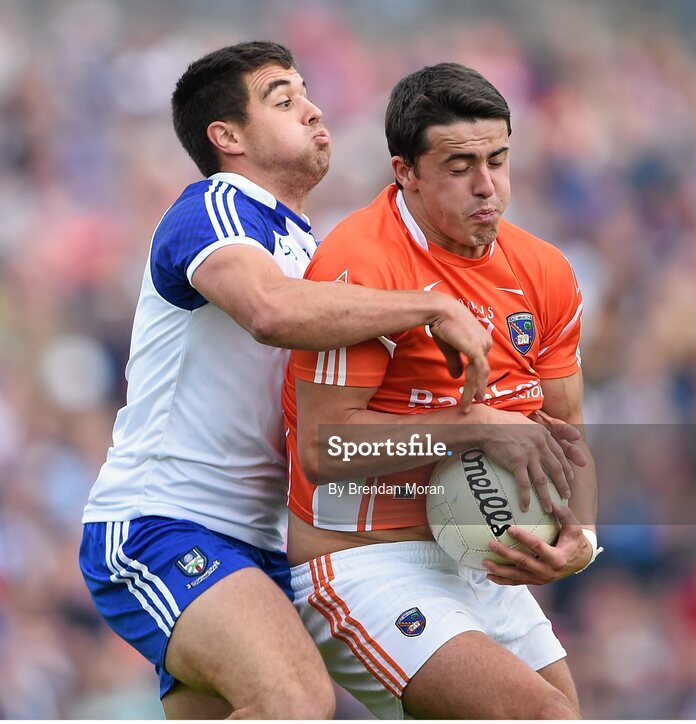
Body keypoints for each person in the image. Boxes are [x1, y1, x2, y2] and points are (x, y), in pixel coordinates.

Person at [77, 42, 507, 719]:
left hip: (264, 548)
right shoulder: (214, 208)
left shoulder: (314, 251)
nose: (311, 109)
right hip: (164, 524)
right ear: (228, 137)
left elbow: (340, 430)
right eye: (283, 100)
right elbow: (269, 311)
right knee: (297, 704)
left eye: (306, 93)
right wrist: (431, 304)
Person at [282, 62, 602, 719]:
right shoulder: (360, 263)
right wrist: (474, 426)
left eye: (499, 159)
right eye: (460, 167)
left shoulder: (545, 271)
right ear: (406, 172)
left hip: (479, 557)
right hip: (360, 565)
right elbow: (325, 448)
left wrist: (582, 535)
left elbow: (567, 434)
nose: (487, 186)